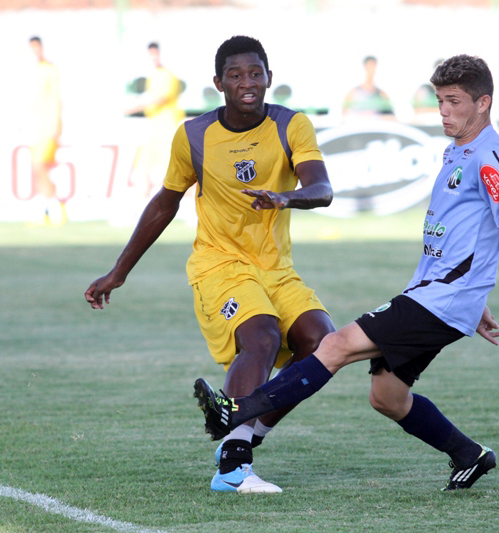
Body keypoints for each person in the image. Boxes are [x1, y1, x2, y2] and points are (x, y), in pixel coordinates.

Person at [194, 54, 499, 491]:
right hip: (445, 294)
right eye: (440, 101)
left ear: (484, 104)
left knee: (334, 345)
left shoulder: (490, 157)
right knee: (387, 396)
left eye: (454, 102)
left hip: (440, 298)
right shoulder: (458, 151)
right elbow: (474, 233)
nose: (444, 111)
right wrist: (476, 299)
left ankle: (237, 412)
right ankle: (468, 454)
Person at [85, 36, 336, 494]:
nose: (247, 83)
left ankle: (243, 435)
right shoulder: (194, 134)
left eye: (255, 73)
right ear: (218, 82)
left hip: (275, 267)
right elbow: (165, 203)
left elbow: (322, 189)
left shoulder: (291, 125)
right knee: (259, 335)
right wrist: (119, 271)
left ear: (269, 78)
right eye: (236, 75)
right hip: (218, 263)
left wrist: (285, 197)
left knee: (322, 343)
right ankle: (233, 468)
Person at [125, 42, 185, 197]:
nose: (153, 58)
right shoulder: (152, 76)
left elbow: (161, 98)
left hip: (168, 129)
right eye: (150, 54)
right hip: (154, 130)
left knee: (177, 173)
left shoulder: (167, 75)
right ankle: (141, 210)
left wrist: (134, 107)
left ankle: (193, 207)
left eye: (155, 54)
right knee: (141, 171)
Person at [27, 36, 64, 225]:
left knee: (40, 166)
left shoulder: (50, 70)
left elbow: (56, 99)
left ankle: (55, 207)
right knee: (37, 168)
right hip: (38, 127)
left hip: (48, 127)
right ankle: (46, 209)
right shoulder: (35, 70)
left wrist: (56, 126)